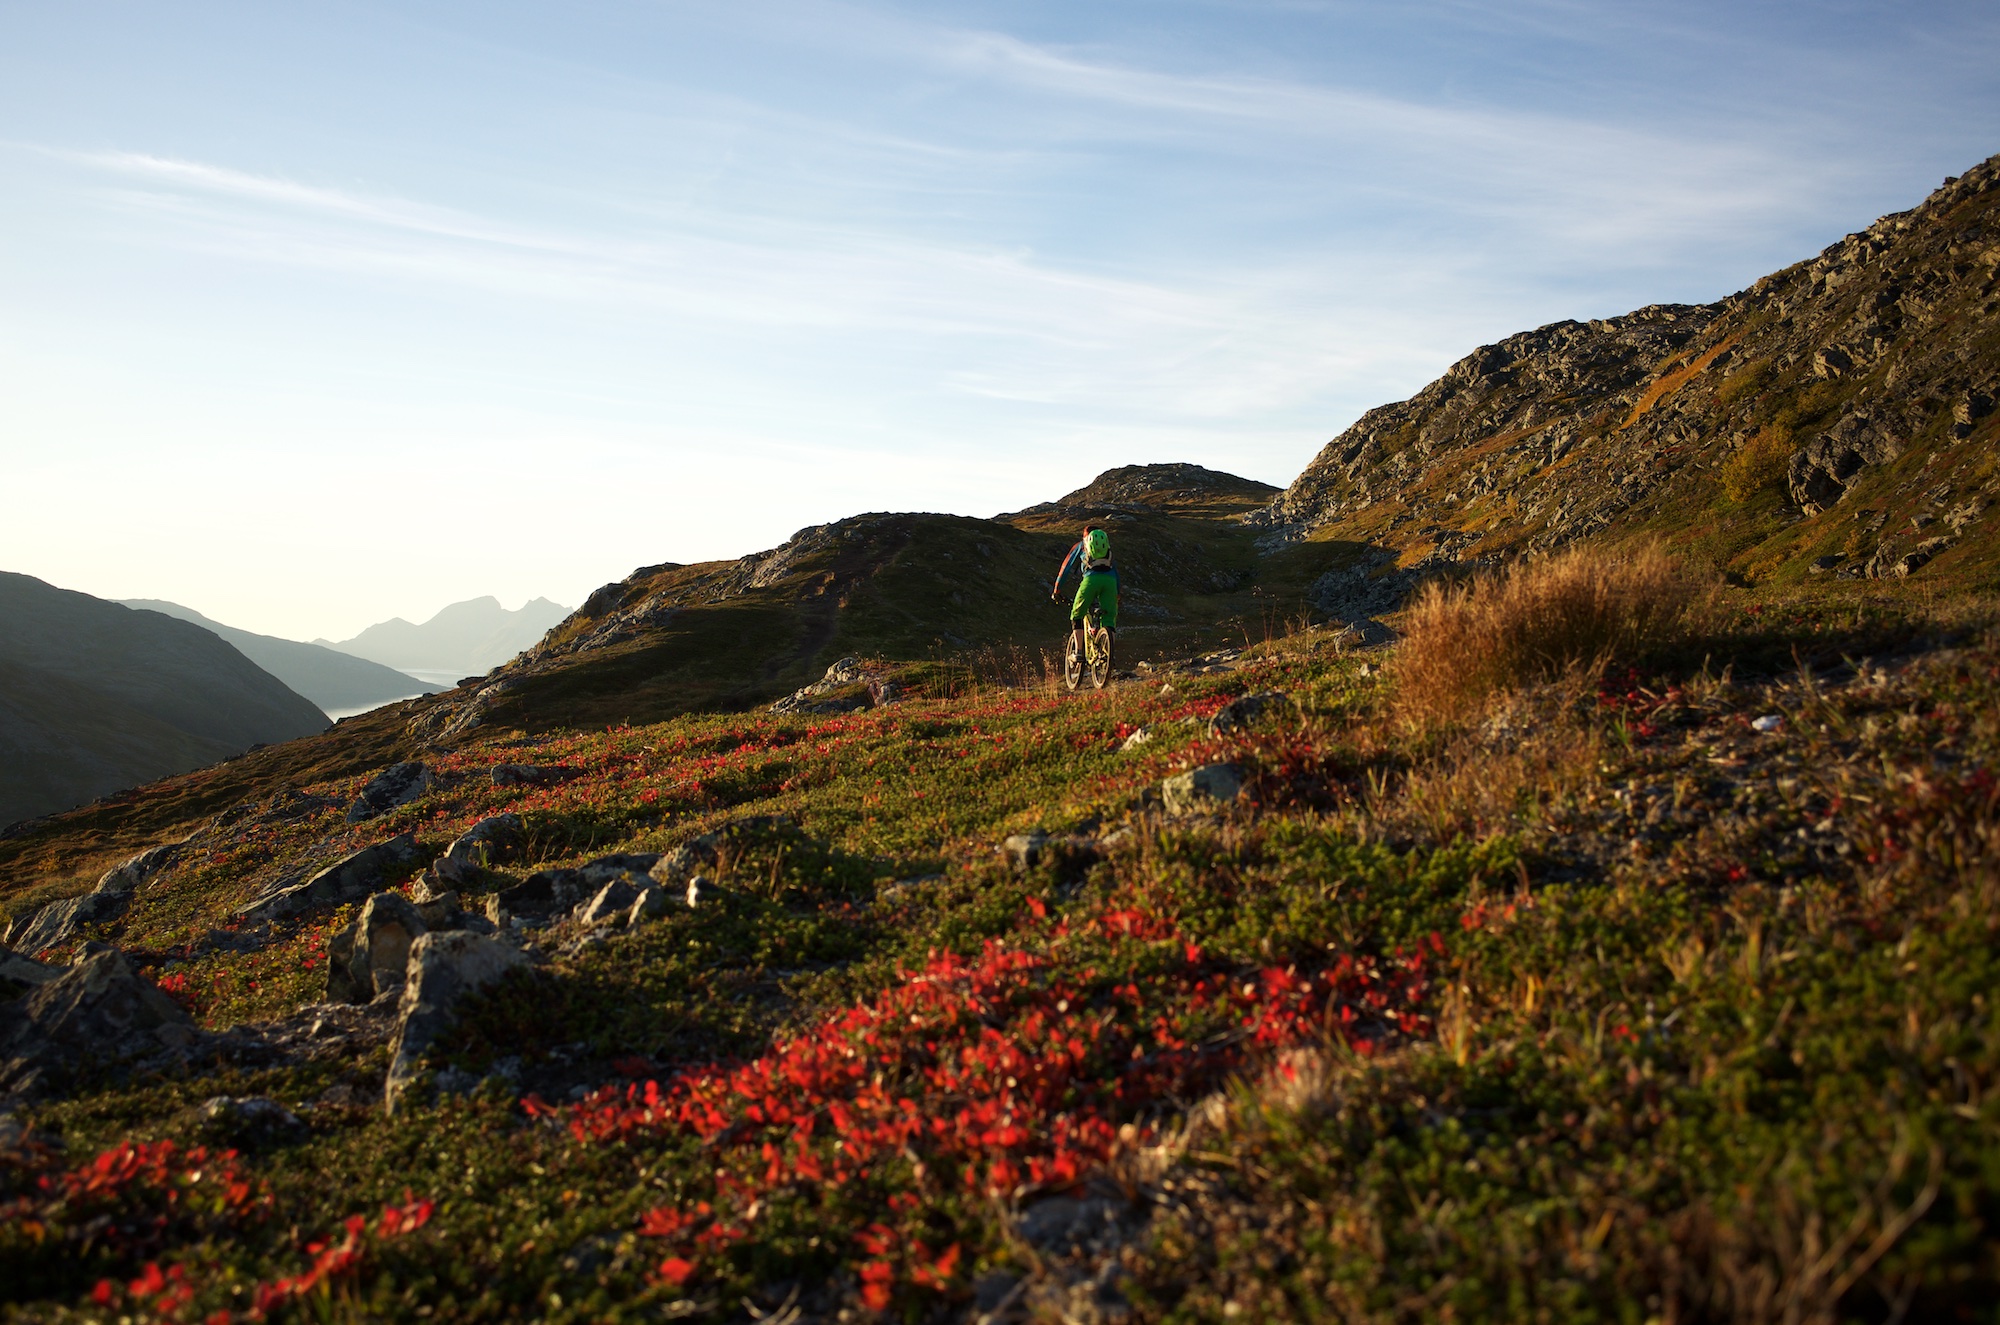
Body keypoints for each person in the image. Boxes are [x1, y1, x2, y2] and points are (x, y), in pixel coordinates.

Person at [1050, 523, 1119, 659]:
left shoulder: (1081, 545)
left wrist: (1057, 589)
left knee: (1077, 614)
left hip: (1091, 580)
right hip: (1110, 582)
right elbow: (1115, 570)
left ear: (1086, 535)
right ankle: (1108, 655)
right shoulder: (1106, 549)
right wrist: (1118, 592)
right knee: (1109, 619)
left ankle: (1079, 652)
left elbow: (1066, 568)